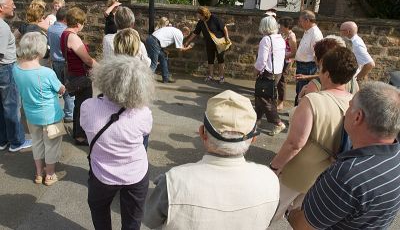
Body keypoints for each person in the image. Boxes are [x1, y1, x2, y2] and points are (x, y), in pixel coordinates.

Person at [144, 90, 280, 230]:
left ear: (202, 133)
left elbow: (151, 220)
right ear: (254, 139)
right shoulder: (270, 180)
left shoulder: (173, 181)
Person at [288, 81, 400, 229]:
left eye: (350, 105)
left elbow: (304, 226)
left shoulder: (346, 176)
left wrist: (291, 212)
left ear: (357, 117)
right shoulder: (395, 156)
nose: (346, 110)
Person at [269, 46, 358, 221]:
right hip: (325, 178)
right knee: (303, 219)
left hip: (297, 174)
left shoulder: (313, 100)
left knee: (269, 214)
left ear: (326, 73)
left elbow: (295, 143)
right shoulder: (354, 102)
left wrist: (274, 166)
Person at [81, 55, 154, 230]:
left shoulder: (88, 106)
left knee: (99, 211)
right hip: (135, 172)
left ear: (105, 76)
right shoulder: (143, 113)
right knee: (132, 219)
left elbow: (86, 128)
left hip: (102, 174)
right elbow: (145, 134)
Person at [13, 32, 65, 186]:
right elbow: (60, 89)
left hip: (31, 114)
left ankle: (38, 173)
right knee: (51, 144)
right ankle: (49, 174)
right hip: (51, 115)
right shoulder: (47, 72)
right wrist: (63, 88)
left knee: (36, 142)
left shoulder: (16, 69)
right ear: (40, 49)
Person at [0, 0, 32, 152]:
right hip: (5, 69)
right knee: (12, 106)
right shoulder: (3, 28)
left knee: (2, 106)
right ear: (1, 7)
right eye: (11, 4)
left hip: (4, 69)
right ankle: (16, 142)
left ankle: (3, 139)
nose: (14, 7)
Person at [60, 7, 96, 145]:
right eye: (83, 22)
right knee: (84, 106)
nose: (83, 25)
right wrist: (103, 68)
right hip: (80, 76)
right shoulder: (73, 37)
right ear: (78, 23)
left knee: (78, 105)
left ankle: (77, 132)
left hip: (73, 73)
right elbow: (87, 60)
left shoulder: (64, 33)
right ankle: (80, 136)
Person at [254, 16, 286, 136]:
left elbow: (262, 60)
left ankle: (278, 123)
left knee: (264, 99)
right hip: (277, 72)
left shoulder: (266, 39)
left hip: (267, 72)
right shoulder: (280, 38)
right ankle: (256, 120)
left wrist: (256, 70)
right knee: (261, 96)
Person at [298, 35, 359, 100]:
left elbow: (309, 108)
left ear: (319, 60)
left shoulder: (315, 84)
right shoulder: (352, 81)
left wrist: (300, 99)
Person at [184, 7, 231, 84]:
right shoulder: (201, 22)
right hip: (209, 43)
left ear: (203, 14)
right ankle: (210, 76)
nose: (198, 16)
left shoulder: (214, 18)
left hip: (219, 43)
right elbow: (195, 32)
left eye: (199, 15)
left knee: (220, 59)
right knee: (210, 59)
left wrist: (227, 37)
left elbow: (224, 28)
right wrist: (188, 41)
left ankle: (221, 77)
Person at [47, 7, 74, 122]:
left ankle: (56, 111)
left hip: (55, 62)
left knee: (58, 88)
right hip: (65, 62)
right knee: (68, 90)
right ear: (65, 19)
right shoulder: (66, 31)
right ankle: (69, 115)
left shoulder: (50, 28)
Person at [294, 10, 323, 105]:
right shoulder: (308, 31)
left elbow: (318, 55)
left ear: (307, 20)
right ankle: (296, 111)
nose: (300, 23)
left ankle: (299, 113)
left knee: (303, 93)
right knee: (299, 91)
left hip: (308, 67)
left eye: (301, 21)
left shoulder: (315, 34)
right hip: (302, 65)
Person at [277, 17, 297, 110]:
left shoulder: (291, 36)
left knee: (281, 81)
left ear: (286, 26)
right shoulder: (283, 34)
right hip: (280, 60)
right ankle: (277, 100)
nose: (279, 26)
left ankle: (281, 102)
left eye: (281, 25)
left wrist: (282, 56)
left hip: (285, 61)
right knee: (277, 79)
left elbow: (293, 52)